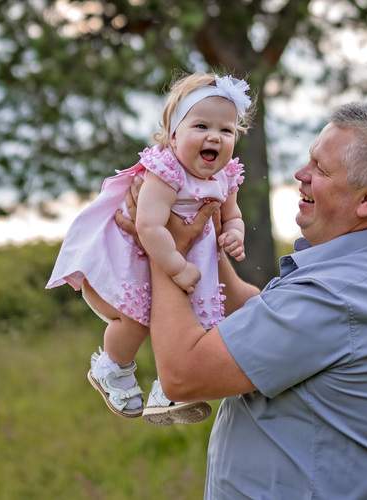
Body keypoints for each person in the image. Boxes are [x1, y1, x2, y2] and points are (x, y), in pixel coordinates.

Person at [117, 101, 367, 498]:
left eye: (321, 170)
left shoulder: (337, 295)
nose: (301, 174)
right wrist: (199, 238)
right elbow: (262, 317)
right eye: (310, 159)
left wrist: (162, 248)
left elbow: (182, 375)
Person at [46, 72, 253, 425]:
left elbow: (232, 215)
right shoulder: (166, 171)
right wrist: (176, 266)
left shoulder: (226, 176)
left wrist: (234, 233)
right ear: (173, 135)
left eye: (226, 130)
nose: (214, 137)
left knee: (188, 322)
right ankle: (112, 367)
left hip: (182, 253)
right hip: (133, 255)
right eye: (201, 126)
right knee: (136, 319)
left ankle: (168, 388)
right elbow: (149, 226)